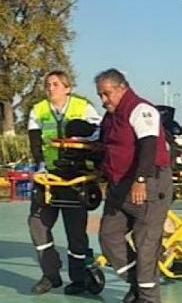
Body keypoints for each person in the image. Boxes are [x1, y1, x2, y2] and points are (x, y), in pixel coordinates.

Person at [95, 69, 173, 303]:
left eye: (106, 94)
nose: (103, 100)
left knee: (146, 245)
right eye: (100, 95)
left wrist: (141, 180)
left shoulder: (141, 110)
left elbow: (148, 146)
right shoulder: (110, 116)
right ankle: (136, 283)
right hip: (119, 186)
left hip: (148, 183)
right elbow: (105, 143)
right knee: (108, 236)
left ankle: (148, 298)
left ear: (122, 88)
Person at [27, 70, 101, 295]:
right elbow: (35, 142)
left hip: (75, 176)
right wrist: (40, 165)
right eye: (48, 84)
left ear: (68, 88)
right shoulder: (38, 110)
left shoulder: (83, 107)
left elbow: (99, 134)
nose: (50, 88)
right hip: (48, 175)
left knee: (76, 232)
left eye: (56, 84)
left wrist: (82, 140)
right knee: (37, 224)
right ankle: (50, 274)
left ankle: (79, 278)